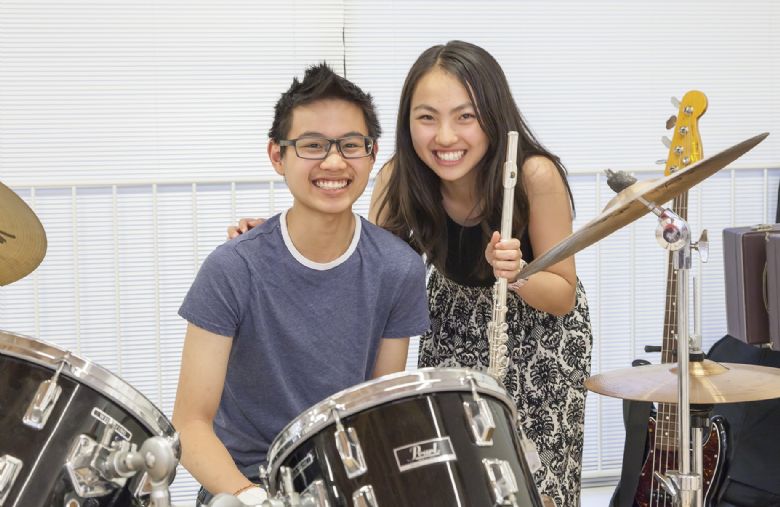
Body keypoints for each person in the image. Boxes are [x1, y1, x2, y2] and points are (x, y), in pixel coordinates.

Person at [229, 41, 593, 506]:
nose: (445, 136)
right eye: (427, 118)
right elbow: (366, 261)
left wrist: (518, 272)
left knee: (529, 482)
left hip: (537, 336)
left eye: (466, 116)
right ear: (407, 123)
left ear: (494, 115)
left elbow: (562, 294)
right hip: (451, 322)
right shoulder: (399, 176)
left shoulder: (535, 175)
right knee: (446, 477)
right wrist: (281, 236)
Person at [173, 63, 430, 506]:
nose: (334, 162)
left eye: (351, 145)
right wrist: (252, 497)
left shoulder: (398, 270)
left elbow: (375, 413)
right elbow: (190, 423)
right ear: (278, 156)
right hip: (247, 482)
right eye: (313, 145)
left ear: (371, 154)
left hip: (347, 481)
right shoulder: (233, 268)